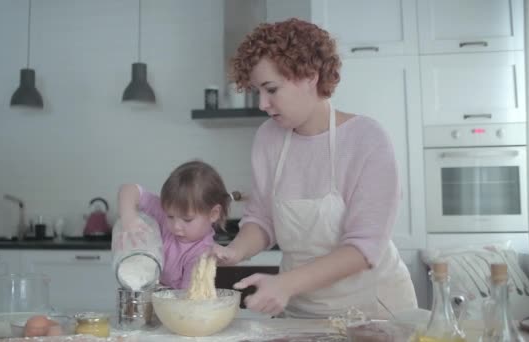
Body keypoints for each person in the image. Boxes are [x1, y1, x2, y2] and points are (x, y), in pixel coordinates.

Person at [212, 18, 418, 318]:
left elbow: (364, 248)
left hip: (375, 312)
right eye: (257, 91)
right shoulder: (268, 138)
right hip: (300, 312)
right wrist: (236, 251)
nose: (262, 104)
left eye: (271, 89)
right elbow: (262, 218)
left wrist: (285, 284)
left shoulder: (367, 139)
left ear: (309, 74)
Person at [116, 160, 233, 289]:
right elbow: (129, 189)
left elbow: (186, 299)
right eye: (170, 216)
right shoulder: (162, 211)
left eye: (187, 219)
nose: (176, 226)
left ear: (213, 214)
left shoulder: (202, 254)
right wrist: (129, 217)